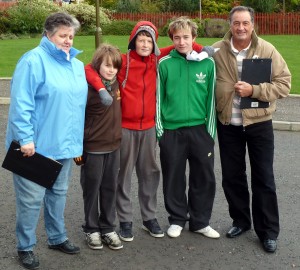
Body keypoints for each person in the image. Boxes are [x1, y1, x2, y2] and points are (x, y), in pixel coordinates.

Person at [85, 21, 213, 242]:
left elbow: (180, 44)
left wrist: (202, 48)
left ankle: (149, 217)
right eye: (140, 40)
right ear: (133, 41)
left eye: (148, 41)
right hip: (124, 127)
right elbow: (89, 68)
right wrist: (100, 89)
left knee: (149, 174)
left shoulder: (157, 58)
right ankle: (125, 220)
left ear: (153, 43)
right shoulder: (123, 60)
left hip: (150, 127)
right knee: (122, 175)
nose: (144, 44)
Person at [5, 12, 87, 269]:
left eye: (71, 36)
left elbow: (76, 104)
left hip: (65, 144)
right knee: (31, 199)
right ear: (48, 35)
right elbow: (21, 104)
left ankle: (57, 237)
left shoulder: (75, 65)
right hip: (36, 146)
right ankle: (25, 246)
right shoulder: (32, 61)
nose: (68, 41)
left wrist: (77, 142)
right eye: (63, 35)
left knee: (58, 193)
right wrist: (25, 139)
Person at [212, 6, 291, 253]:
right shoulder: (216, 50)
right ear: (230, 24)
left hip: (259, 124)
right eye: (236, 23)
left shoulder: (267, 49)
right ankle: (241, 221)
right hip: (228, 124)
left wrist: (254, 91)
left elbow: (284, 83)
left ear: (253, 24)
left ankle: (268, 231)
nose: (241, 28)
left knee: (264, 179)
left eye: (245, 23)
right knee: (232, 178)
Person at [156, 16, 220, 239]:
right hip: (171, 131)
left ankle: (201, 221)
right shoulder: (164, 64)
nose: (181, 42)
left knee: (204, 176)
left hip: (201, 130)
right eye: (176, 38)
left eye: (186, 37)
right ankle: (176, 219)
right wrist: (161, 132)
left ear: (194, 38)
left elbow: (211, 100)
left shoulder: (208, 63)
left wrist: (210, 133)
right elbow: (158, 100)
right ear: (172, 39)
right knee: (173, 176)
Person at [80, 44, 123, 250]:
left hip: (114, 146)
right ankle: (91, 228)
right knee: (91, 189)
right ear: (98, 65)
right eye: (107, 65)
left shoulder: (117, 84)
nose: (111, 70)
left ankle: (107, 227)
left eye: (114, 66)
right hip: (93, 148)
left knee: (109, 188)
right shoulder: (87, 86)